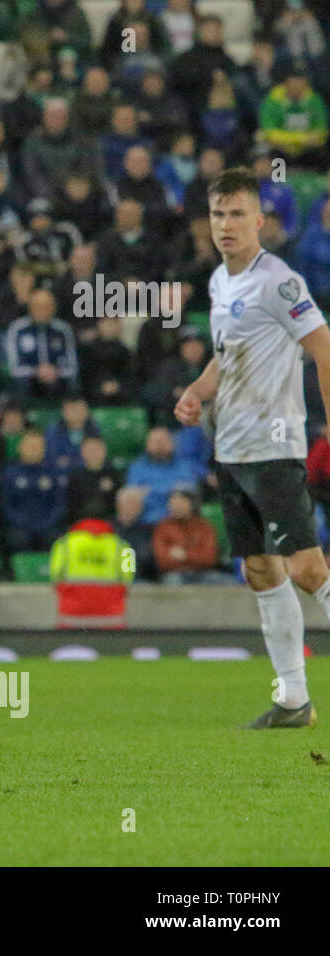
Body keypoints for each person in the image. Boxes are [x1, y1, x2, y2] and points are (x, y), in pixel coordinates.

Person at [174, 167, 330, 728]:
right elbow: (229, 352)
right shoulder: (220, 282)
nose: (226, 225)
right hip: (233, 448)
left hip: (273, 442)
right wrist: (198, 389)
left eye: (238, 213)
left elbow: (321, 344)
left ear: (260, 221)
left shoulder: (278, 281)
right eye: (218, 214)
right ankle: (293, 700)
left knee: (309, 569)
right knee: (261, 571)